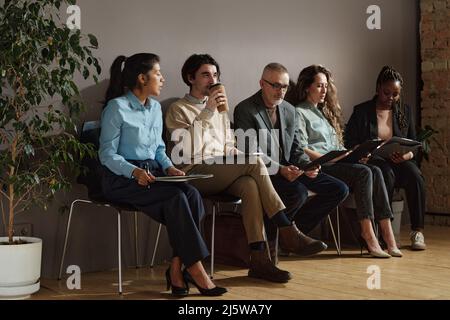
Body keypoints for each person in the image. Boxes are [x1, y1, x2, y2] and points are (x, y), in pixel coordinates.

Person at [165, 54, 325, 283]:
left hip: (222, 169)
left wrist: (247, 156)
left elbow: (230, 146)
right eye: (205, 74)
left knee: (250, 184)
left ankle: (259, 259)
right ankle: (287, 228)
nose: (212, 79)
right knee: (253, 163)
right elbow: (187, 149)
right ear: (190, 78)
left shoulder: (220, 110)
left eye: (215, 74)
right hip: (193, 170)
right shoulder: (178, 109)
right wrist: (208, 109)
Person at [99, 53, 226, 296]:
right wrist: (134, 171)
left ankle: (177, 268)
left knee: (191, 195)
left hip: (153, 173)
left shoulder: (155, 108)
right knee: (175, 199)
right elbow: (106, 155)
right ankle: (196, 271)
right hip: (120, 177)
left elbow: (158, 148)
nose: (163, 79)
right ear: (142, 78)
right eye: (158, 74)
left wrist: (169, 167)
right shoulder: (117, 108)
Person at [286, 65, 402, 258]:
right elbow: (302, 148)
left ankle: (388, 237)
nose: (324, 90)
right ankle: (368, 235)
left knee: (375, 169)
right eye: (319, 86)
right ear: (307, 87)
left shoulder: (324, 113)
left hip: (339, 162)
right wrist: (334, 157)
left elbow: (337, 146)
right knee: (365, 172)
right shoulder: (299, 112)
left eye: (325, 85)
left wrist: (352, 154)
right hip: (322, 165)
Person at [233, 63, 349, 255]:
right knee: (298, 192)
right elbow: (250, 152)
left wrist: (309, 165)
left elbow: (295, 148)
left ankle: (293, 234)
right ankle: (275, 240)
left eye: (285, 87)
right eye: (275, 85)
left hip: (291, 168)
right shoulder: (245, 109)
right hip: (263, 171)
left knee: (339, 189)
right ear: (262, 83)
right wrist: (281, 169)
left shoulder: (288, 110)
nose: (281, 91)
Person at [345, 65, 427, 251]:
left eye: (395, 94)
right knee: (386, 174)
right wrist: (361, 154)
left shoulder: (404, 111)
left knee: (415, 176)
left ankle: (417, 231)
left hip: (400, 160)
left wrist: (407, 154)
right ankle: (384, 231)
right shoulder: (362, 111)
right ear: (377, 88)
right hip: (375, 162)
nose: (390, 98)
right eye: (386, 92)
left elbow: (415, 144)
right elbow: (350, 141)